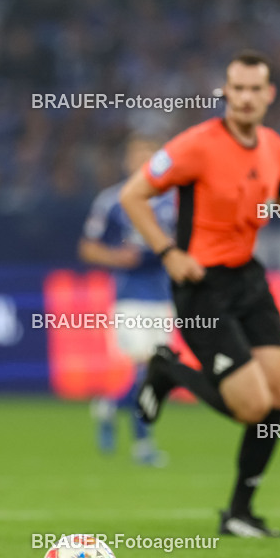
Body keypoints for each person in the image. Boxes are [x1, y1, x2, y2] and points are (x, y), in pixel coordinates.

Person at [119, 51, 280, 537]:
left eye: (254, 89)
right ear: (225, 92)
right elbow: (133, 194)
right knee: (252, 406)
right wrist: (168, 251)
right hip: (202, 286)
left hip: (248, 279)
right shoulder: (195, 145)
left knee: (278, 394)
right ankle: (167, 368)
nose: (244, 98)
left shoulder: (276, 148)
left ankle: (239, 512)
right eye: (236, 88)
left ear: (269, 94)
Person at [78, 135, 173, 467]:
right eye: (137, 155)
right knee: (145, 373)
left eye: (150, 155)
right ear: (127, 161)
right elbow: (88, 247)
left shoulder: (172, 200)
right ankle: (143, 445)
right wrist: (122, 258)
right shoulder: (112, 201)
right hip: (131, 298)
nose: (143, 161)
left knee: (158, 374)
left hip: (163, 297)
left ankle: (109, 407)